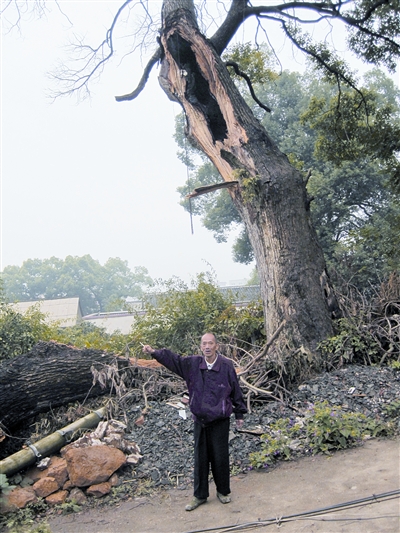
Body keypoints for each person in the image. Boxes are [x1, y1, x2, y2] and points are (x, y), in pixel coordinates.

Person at [142, 333, 247, 511]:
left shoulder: (226, 366)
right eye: (204, 343)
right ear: (200, 347)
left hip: (220, 419)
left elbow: (235, 390)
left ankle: (223, 491)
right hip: (200, 419)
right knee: (201, 458)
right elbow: (173, 360)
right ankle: (199, 496)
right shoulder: (192, 364)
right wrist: (154, 352)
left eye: (210, 343)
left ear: (216, 346)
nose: (207, 346)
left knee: (220, 457)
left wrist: (239, 414)